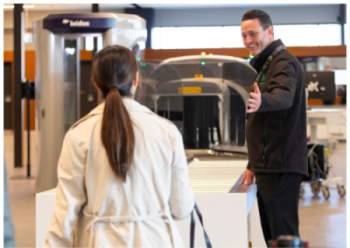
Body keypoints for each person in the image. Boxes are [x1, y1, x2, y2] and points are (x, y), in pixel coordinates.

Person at [45, 45, 194, 247]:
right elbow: (182, 208)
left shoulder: (78, 134)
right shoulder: (167, 132)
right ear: (136, 80)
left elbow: (65, 212)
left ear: (97, 85)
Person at [240, 9, 308, 245]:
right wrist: (253, 163)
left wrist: (263, 101)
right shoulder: (264, 64)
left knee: (284, 237)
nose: (249, 41)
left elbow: (284, 95)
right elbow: (263, 125)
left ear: (269, 31)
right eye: (244, 36)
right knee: (272, 237)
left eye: (253, 33)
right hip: (268, 165)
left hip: (281, 164)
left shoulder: (283, 61)